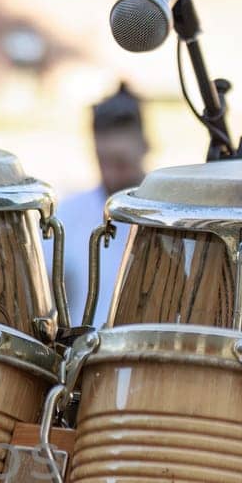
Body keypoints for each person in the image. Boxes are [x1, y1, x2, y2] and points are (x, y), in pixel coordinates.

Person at [54, 82, 150, 329]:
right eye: (103, 162)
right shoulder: (69, 214)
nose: (112, 175)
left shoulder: (169, 217)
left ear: (145, 146)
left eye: (121, 163)